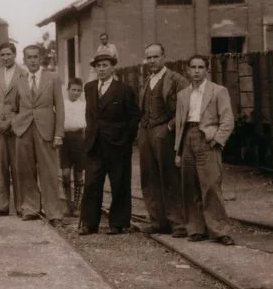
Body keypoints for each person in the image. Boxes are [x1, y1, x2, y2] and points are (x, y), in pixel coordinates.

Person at [173, 55, 236, 245]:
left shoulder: (218, 91)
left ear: (207, 70)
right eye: (193, 67)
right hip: (187, 139)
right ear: (187, 70)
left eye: (200, 67)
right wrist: (178, 151)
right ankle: (196, 229)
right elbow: (179, 124)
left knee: (210, 186)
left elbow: (227, 120)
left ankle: (219, 230)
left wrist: (217, 140)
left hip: (207, 139)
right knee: (189, 185)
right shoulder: (183, 95)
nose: (196, 71)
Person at [77, 53, 140, 235]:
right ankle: (89, 223)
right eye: (98, 66)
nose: (101, 69)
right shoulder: (89, 88)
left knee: (119, 183)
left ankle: (118, 223)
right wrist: (89, 134)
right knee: (91, 184)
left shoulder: (123, 89)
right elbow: (90, 115)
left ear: (113, 68)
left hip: (117, 145)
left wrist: (126, 138)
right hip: (94, 145)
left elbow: (134, 116)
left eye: (105, 65)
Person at [11, 44, 65, 227]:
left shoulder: (53, 77)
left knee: (49, 172)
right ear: (24, 60)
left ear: (41, 58)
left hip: (46, 129)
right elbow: (13, 107)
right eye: (29, 57)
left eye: (35, 57)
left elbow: (60, 107)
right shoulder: (19, 79)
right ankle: (30, 208)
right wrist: (15, 124)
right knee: (25, 170)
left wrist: (59, 134)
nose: (32, 60)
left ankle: (54, 213)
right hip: (24, 129)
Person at [137, 43, 187, 235]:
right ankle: (158, 222)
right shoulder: (147, 79)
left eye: (155, 57)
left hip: (165, 133)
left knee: (169, 177)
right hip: (146, 133)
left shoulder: (176, 79)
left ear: (164, 56)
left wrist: (169, 127)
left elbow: (185, 108)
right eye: (148, 57)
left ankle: (178, 224)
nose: (152, 61)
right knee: (149, 177)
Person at [0, 41, 24, 217]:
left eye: (9, 54)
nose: (6, 57)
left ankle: (22, 206)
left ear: (15, 55)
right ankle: (0, 205)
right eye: (2, 54)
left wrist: (12, 122)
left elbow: (26, 102)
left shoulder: (23, 74)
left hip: (17, 128)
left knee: (19, 167)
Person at [60, 77, 87, 217]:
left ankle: (76, 206)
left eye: (78, 90)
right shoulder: (61, 104)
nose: (75, 93)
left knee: (78, 174)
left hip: (79, 139)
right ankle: (68, 203)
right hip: (65, 140)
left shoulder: (84, 105)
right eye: (73, 90)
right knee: (65, 173)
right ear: (68, 90)